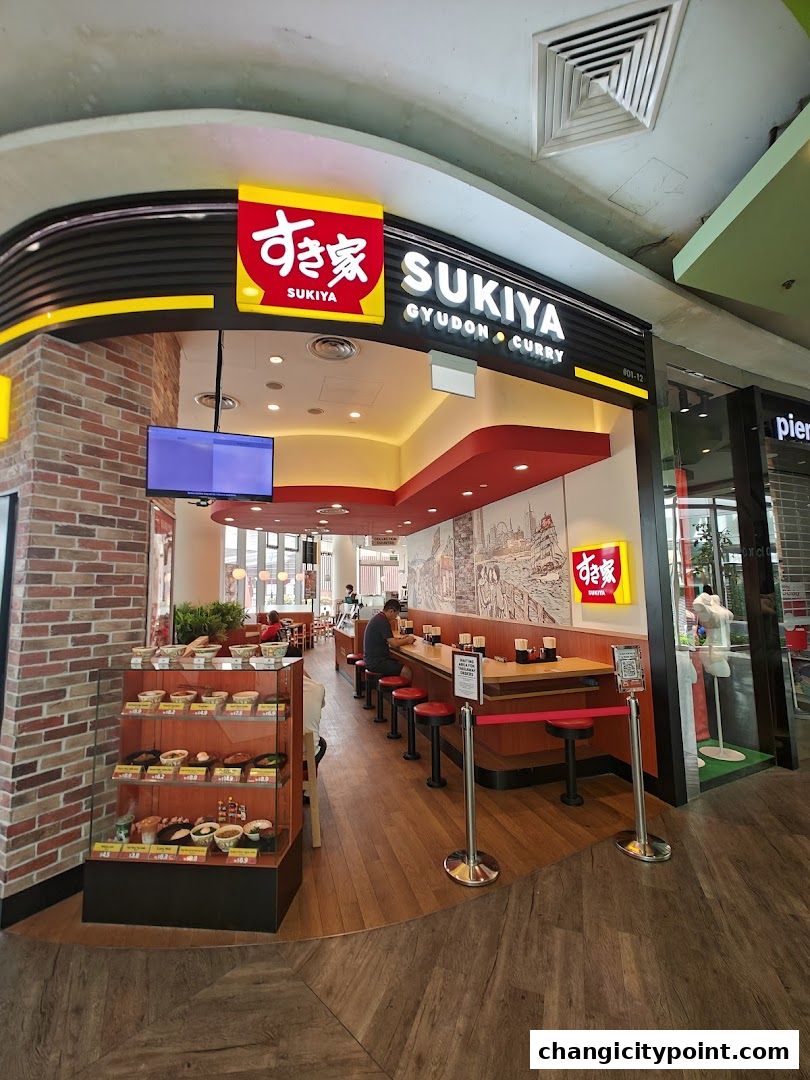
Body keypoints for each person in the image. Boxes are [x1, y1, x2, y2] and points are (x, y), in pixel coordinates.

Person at [363, 598, 414, 681]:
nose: (395, 617)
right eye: (396, 614)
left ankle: (395, 689)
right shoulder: (383, 621)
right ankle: (400, 689)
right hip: (376, 662)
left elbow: (390, 639)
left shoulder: (379, 618)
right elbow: (394, 644)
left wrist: (401, 639)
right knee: (406, 671)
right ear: (391, 611)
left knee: (397, 663)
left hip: (371, 659)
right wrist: (408, 640)